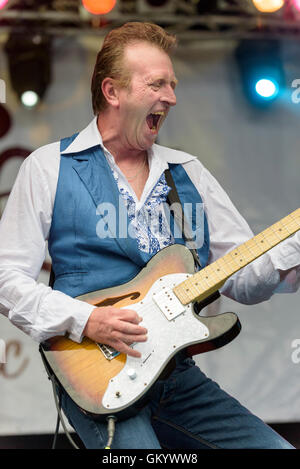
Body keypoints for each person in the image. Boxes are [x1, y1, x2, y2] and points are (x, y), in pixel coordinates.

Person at [0, 21, 300, 450]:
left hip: (176, 379)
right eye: (156, 83)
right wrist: (87, 320)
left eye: (173, 84)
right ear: (112, 92)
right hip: (97, 374)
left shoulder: (189, 173)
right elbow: (6, 278)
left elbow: (244, 280)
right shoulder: (50, 166)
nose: (172, 97)